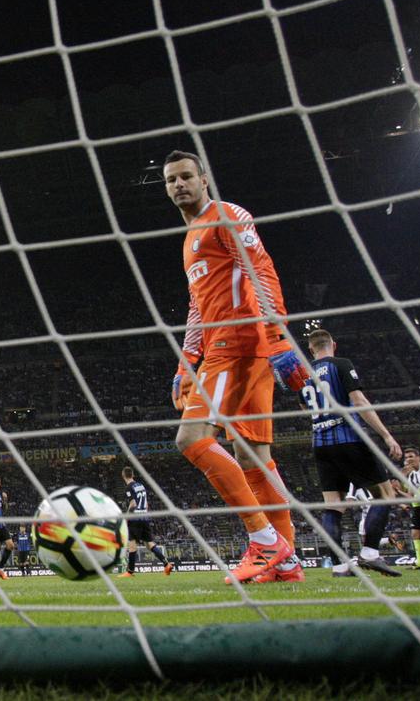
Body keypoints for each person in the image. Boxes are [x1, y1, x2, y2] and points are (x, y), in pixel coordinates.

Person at [164, 150, 308, 584]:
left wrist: (279, 336)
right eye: (171, 180)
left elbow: (259, 269)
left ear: (204, 178)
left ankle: (263, 541)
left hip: (239, 341)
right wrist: (186, 362)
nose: (179, 185)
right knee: (253, 455)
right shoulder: (190, 236)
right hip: (226, 345)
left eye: (186, 176)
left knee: (191, 439)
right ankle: (287, 562)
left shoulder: (227, 215)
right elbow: (197, 305)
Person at [300, 329, 402, 578]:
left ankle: (339, 566)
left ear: (311, 349)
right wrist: (386, 435)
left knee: (332, 506)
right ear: (333, 344)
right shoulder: (341, 364)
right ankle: (369, 554)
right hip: (349, 438)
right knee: (385, 494)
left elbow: (304, 407)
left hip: (321, 444)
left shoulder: (303, 376)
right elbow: (359, 401)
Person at [119, 467, 172, 577]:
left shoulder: (128, 487)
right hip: (144, 516)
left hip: (135, 518)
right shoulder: (140, 485)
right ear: (133, 475)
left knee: (132, 546)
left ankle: (130, 572)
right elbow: (146, 504)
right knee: (150, 544)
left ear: (123, 476)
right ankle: (166, 564)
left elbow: (133, 504)